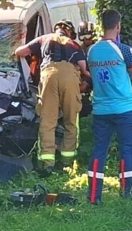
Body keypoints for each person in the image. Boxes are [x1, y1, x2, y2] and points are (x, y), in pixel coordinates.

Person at [14, 21, 89, 176]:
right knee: (71, 121)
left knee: (48, 121)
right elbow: (85, 70)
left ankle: (46, 164)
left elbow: (20, 52)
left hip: (48, 75)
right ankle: (66, 163)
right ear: (69, 32)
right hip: (70, 78)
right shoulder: (74, 45)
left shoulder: (44, 38)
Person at [86, 9, 132, 203]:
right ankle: (126, 194)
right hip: (124, 108)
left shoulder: (91, 50)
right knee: (127, 149)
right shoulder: (124, 50)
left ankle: (93, 196)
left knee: (99, 150)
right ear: (118, 26)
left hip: (100, 108)